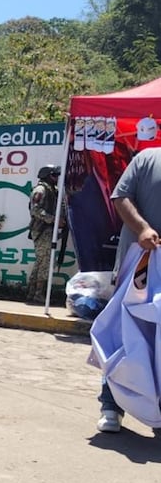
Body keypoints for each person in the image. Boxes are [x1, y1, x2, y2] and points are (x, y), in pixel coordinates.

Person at [95, 147, 161, 433]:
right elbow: (120, 197)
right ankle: (111, 406)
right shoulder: (148, 158)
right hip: (139, 264)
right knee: (123, 335)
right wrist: (143, 228)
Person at [25, 165, 61, 304]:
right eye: (54, 175)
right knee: (44, 263)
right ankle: (38, 294)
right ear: (47, 176)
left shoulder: (52, 189)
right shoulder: (40, 189)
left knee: (41, 262)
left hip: (48, 229)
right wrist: (54, 219)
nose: (57, 178)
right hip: (42, 230)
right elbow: (35, 210)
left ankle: (32, 293)